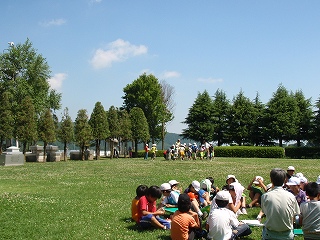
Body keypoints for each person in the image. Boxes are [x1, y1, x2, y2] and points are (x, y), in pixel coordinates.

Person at [261, 168, 300, 240]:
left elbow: (265, 211)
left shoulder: (265, 196)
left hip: (270, 235)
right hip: (287, 235)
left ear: (271, 180)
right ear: (285, 180)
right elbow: (296, 214)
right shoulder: (291, 196)